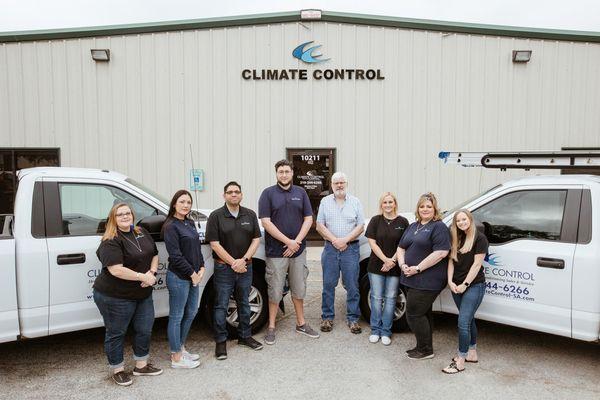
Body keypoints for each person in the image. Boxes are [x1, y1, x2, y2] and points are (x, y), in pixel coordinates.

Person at [93, 202, 163, 386]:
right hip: (115, 296)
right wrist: (142, 276)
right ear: (113, 219)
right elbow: (116, 270)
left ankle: (141, 365)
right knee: (116, 332)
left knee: (144, 329)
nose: (125, 217)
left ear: (132, 215)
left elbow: (155, 254)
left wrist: (152, 273)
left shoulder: (141, 232)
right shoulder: (110, 239)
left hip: (142, 293)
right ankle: (117, 369)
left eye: (127, 213)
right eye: (120, 214)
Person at [259, 159, 319, 345]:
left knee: (299, 288)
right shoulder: (267, 194)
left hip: (298, 251)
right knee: (275, 290)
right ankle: (271, 327)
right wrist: (288, 242)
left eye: (287, 171)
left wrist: (297, 242)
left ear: (292, 173)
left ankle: (301, 323)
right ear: (276, 174)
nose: (284, 174)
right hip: (276, 252)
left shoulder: (301, 193)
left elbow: (308, 219)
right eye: (280, 172)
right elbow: (266, 222)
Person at [205, 181, 263, 360]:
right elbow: (214, 244)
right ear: (224, 196)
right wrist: (233, 263)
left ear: (241, 195)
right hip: (224, 268)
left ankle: (245, 336)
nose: (233, 194)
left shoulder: (250, 214)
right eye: (230, 192)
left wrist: (243, 260)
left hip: (246, 266)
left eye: (237, 192)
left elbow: (256, 240)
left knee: (244, 302)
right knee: (221, 305)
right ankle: (221, 341)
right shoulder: (215, 216)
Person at [397, 192, 450, 360]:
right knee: (424, 313)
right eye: (422, 206)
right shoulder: (414, 226)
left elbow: (441, 252)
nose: (425, 209)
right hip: (410, 277)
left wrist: (418, 268)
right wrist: (402, 264)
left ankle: (425, 350)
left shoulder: (438, 227)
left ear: (435, 208)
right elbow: (401, 247)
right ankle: (423, 346)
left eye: (429, 206)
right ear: (417, 209)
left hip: (428, 279)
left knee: (413, 314)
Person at [316, 172, 365, 334]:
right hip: (330, 248)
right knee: (328, 285)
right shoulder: (325, 201)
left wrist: (345, 240)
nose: (339, 185)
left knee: (352, 285)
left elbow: (360, 226)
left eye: (342, 182)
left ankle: (353, 319)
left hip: (350, 249)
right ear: (331, 185)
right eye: (336, 183)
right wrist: (335, 240)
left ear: (346, 183)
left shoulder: (356, 202)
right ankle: (327, 317)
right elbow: (319, 225)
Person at [163, 190, 205, 369]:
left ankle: (180, 347)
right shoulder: (170, 226)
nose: (186, 205)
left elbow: (196, 247)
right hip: (179, 278)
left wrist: (202, 266)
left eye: (189, 202)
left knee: (192, 312)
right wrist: (192, 273)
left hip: (194, 276)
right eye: (182, 202)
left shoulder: (189, 222)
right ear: (174, 204)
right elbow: (176, 256)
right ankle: (176, 358)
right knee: (177, 316)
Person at [442, 209, 488, 374]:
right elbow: (451, 262)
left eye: (464, 219)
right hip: (456, 286)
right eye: (458, 221)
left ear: (470, 219)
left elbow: (477, 265)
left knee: (463, 322)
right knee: (468, 319)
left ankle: (460, 360)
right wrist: (450, 281)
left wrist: (465, 284)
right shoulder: (456, 237)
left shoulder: (480, 238)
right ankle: (472, 353)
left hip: (474, 285)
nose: (461, 223)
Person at [365, 192, 409, 345]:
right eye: (385, 202)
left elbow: (403, 244)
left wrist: (393, 261)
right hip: (377, 265)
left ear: (395, 204)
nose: (388, 205)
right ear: (381, 205)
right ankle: (375, 330)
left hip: (395, 267)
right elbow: (372, 243)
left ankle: (386, 332)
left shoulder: (403, 222)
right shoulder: (375, 221)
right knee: (376, 298)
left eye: (391, 202)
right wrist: (385, 260)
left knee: (391, 299)